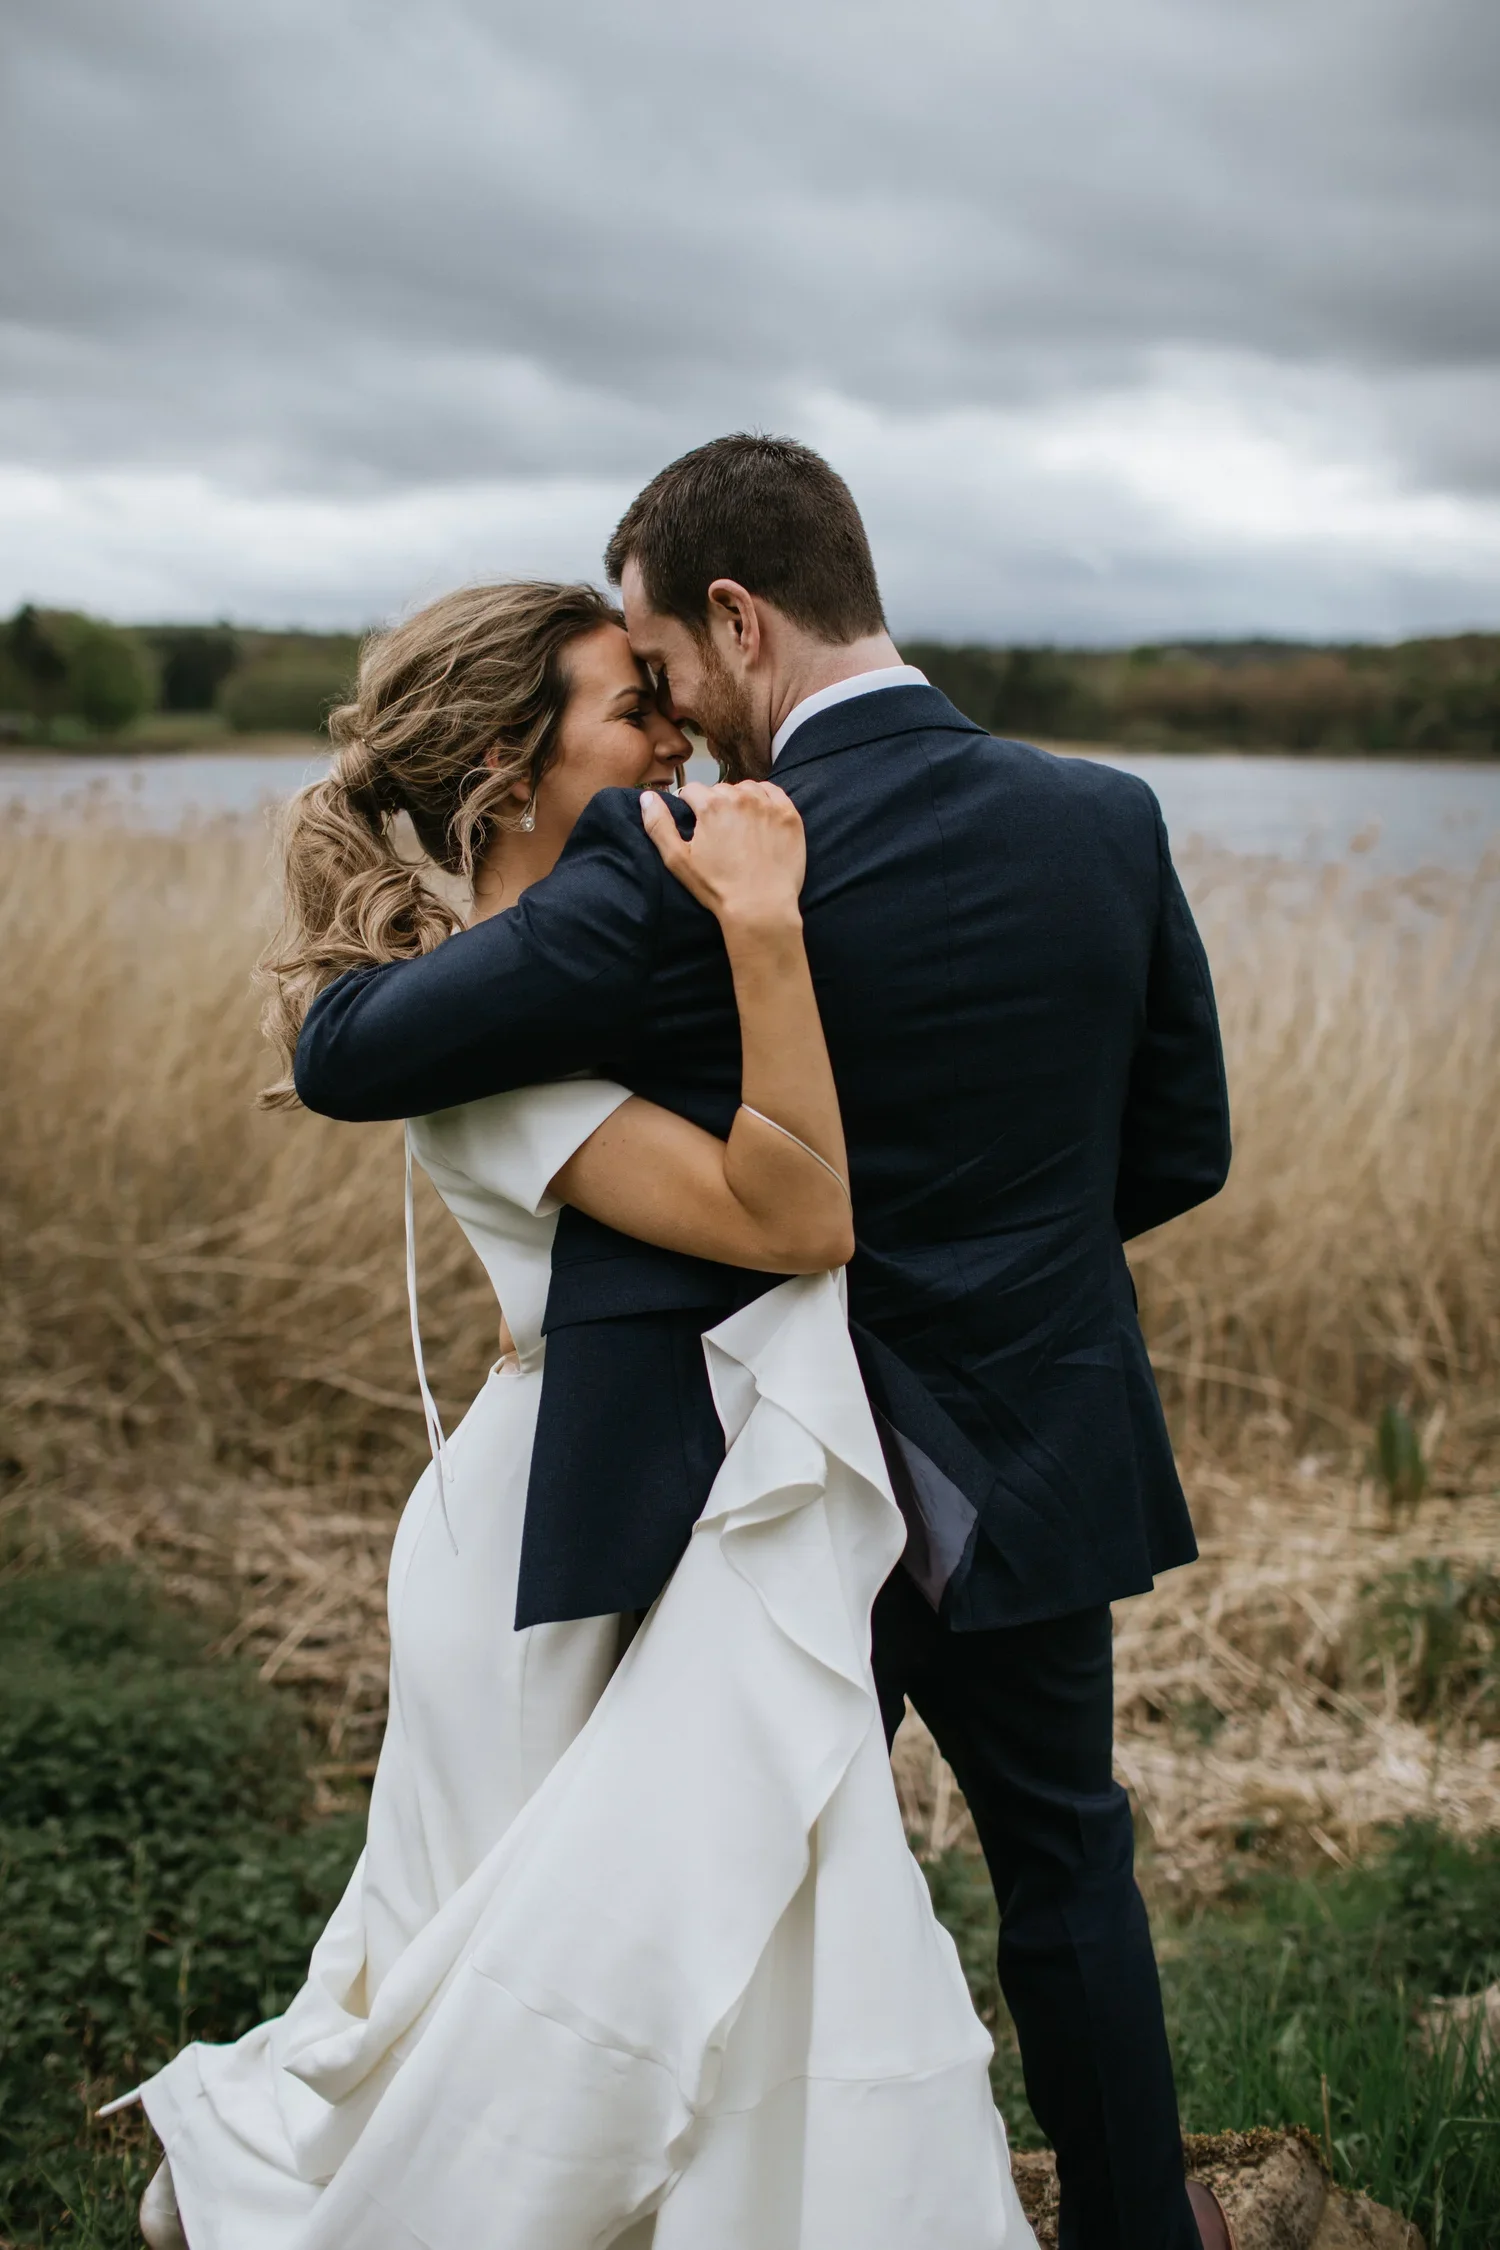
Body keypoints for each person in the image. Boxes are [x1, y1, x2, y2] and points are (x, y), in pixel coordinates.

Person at [294, 438, 1237, 2250]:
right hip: (1033, 1437)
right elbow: (1179, 1148)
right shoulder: (1103, 815)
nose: (663, 714)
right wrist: (1002, 1267)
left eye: (660, 666)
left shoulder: (667, 864)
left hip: (769, 1475)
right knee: (1070, 1865)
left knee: (731, 1899)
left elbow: (356, 1059)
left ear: (736, 618)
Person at [119, 581, 1036, 2250]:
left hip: (622, 1485)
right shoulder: (491, 1033)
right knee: (567, 1961)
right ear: (506, 765)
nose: (676, 728)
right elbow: (794, 1216)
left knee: (691, 1924)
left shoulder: (564, 976)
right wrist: (765, 928)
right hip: (551, 1539)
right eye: (633, 707)